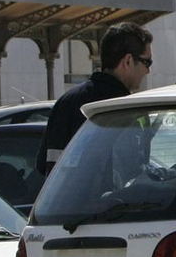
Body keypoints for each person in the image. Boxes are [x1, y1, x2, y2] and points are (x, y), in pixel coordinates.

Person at [35, 22, 153, 175]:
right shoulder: (123, 108)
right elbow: (132, 170)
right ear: (128, 61)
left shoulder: (65, 101)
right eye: (147, 62)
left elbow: (42, 165)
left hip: (61, 191)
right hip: (108, 192)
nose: (148, 71)